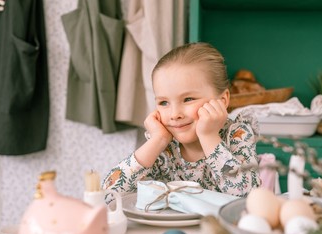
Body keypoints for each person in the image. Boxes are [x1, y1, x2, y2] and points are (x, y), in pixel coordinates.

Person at [102, 42, 260, 203]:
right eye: (164, 103)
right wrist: (158, 141)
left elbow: (247, 200)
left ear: (223, 100)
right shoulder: (165, 147)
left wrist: (209, 136)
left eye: (188, 99)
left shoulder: (237, 134)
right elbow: (108, 196)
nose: (175, 114)